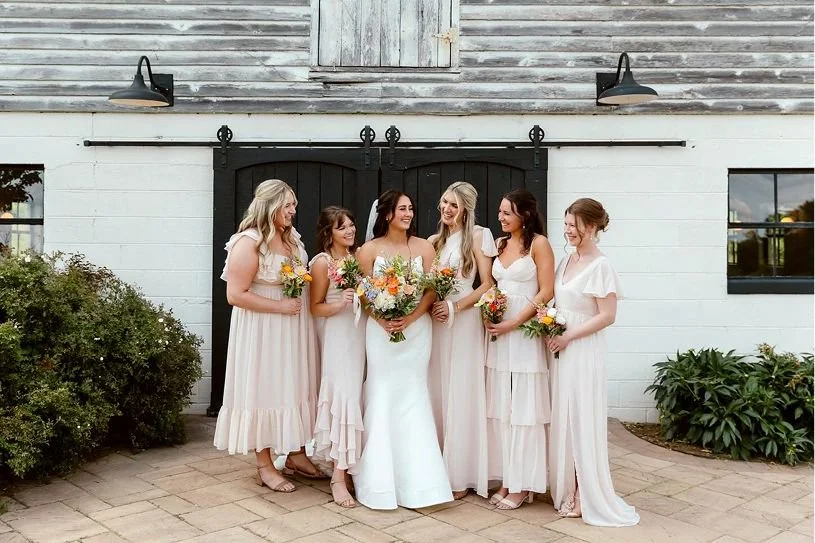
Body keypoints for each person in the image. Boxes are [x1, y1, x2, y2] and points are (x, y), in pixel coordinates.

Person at [213, 179, 323, 493]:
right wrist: (279, 306)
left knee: (294, 385)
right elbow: (235, 295)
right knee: (264, 388)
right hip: (262, 331)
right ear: (271, 205)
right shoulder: (248, 242)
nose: (292, 211)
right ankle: (264, 464)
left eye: (294, 206)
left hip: (292, 329)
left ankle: (296, 454)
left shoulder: (293, 241)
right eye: (288, 205)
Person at [351, 190, 454, 510]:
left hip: (417, 331)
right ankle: (378, 480)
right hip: (380, 332)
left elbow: (431, 288)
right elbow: (363, 292)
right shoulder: (368, 250)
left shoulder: (424, 247)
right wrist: (382, 319)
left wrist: (410, 317)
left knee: (413, 393)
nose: (408, 214)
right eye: (402, 209)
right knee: (382, 391)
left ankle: (423, 481)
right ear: (387, 214)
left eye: (411, 208)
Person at [546, 198, 639, 526]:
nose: (569, 230)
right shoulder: (567, 260)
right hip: (562, 348)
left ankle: (588, 496)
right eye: (567, 224)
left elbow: (607, 316)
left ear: (592, 226)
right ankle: (569, 487)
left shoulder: (602, 266)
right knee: (566, 418)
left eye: (575, 225)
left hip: (584, 351)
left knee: (581, 419)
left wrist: (569, 335)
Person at [485, 188, 555, 510]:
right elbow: (494, 287)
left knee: (524, 409)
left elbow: (547, 290)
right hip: (499, 333)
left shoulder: (539, 244)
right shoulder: (500, 245)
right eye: (500, 212)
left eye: (507, 213)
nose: (500, 218)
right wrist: (491, 311)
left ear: (525, 214)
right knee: (503, 408)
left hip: (524, 333)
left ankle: (524, 484)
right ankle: (508, 477)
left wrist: (516, 322)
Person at [427, 182, 495, 500]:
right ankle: (437, 463)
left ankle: (462, 472)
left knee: (461, 388)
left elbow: (487, 284)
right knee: (438, 387)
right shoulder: (434, 241)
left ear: (466, 207)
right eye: (444, 202)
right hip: (437, 323)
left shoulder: (480, 236)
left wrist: (456, 306)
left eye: (454, 204)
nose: (447, 209)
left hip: (464, 319)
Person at [309, 206, 366, 508]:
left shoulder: (357, 260)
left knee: (356, 396)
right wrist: (340, 304)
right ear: (328, 232)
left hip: (360, 335)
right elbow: (315, 306)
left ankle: (351, 465)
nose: (349, 230)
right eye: (341, 227)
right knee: (342, 396)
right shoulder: (322, 262)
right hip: (337, 336)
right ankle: (338, 477)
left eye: (351, 224)